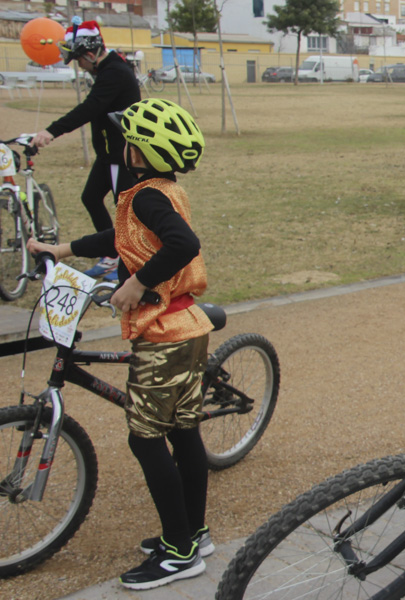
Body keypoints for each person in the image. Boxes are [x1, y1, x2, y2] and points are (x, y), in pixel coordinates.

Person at [29, 99, 213, 590]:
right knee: (182, 431)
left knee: (145, 437)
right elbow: (123, 238)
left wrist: (136, 284)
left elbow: (184, 243)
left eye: (128, 138)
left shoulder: (147, 196)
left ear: (140, 151)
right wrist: (61, 250)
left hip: (163, 332)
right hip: (186, 325)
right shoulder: (160, 189)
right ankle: (193, 534)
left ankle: (179, 553)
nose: (122, 144)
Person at [30, 20, 142, 280]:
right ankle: (113, 256)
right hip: (107, 155)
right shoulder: (107, 70)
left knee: (125, 213)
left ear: (90, 55)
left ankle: (127, 262)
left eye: (78, 59)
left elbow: (90, 108)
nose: (78, 65)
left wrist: (51, 131)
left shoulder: (114, 72)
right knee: (91, 197)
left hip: (120, 155)